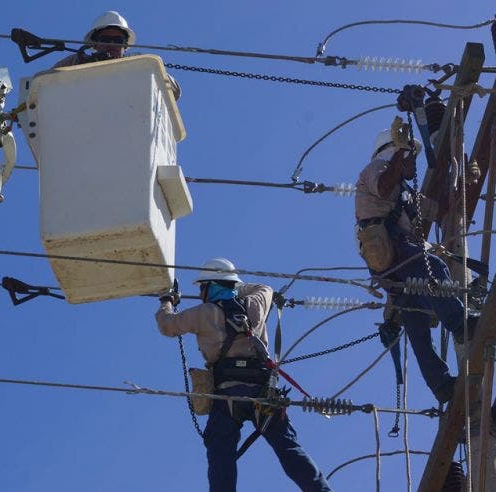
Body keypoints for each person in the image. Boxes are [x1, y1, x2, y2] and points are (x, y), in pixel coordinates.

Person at [155, 258, 332, 492]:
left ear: (210, 286)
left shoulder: (202, 313)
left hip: (227, 394)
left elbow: (167, 325)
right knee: (288, 448)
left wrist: (167, 300)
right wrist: (236, 287)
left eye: (202, 288)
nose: (200, 294)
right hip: (263, 392)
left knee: (221, 457)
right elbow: (265, 288)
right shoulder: (256, 302)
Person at [355, 127, 476, 404]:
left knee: (416, 322)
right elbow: (383, 187)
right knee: (433, 266)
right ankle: (461, 324)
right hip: (390, 248)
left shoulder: (407, 194)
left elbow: (443, 210)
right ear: (394, 152)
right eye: (410, 157)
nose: (413, 163)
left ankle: (441, 385)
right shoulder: (377, 168)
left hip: (397, 261)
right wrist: (400, 155)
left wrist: (465, 183)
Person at [50, 11, 181, 99]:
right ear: (94, 44)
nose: (112, 44)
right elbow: (46, 83)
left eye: (118, 41)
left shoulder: (139, 65)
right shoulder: (76, 61)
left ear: (125, 46)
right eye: (105, 39)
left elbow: (174, 91)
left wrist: (144, 68)